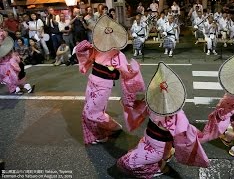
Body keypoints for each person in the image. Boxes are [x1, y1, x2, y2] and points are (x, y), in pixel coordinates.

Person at [117, 62, 209, 178]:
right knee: (139, 154)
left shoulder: (154, 104)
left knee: (124, 163)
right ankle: (165, 156)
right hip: (154, 142)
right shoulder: (176, 115)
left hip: (156, 147)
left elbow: (133, 108)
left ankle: (156, 168)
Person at [75, 15, 145, 145]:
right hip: (93, 80)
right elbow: (81, 52)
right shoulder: (97, 47)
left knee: (93, 113)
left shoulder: (119, 56)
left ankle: (111, 128)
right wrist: (84, 47)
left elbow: (127, 73)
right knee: (88, 110)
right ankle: (99, 133)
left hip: (103, 84)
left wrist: (133, 70)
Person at [0, 29, 35, 95]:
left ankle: (18, 89)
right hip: (13, 62)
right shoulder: (11, 51)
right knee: (17, 77)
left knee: (11, 78)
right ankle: (26, 87)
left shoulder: (6, 54)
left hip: (7, 66)